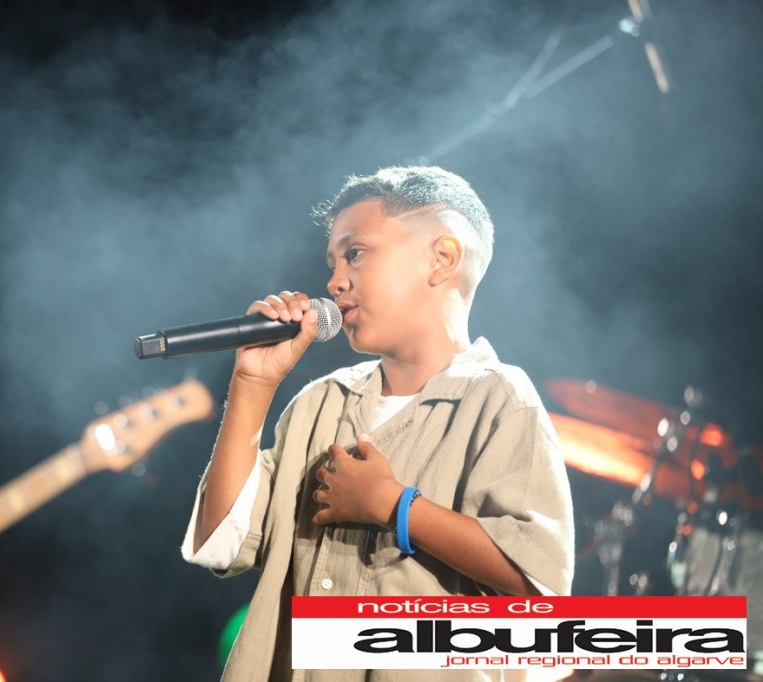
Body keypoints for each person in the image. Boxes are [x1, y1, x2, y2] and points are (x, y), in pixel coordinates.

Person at [181, 166, 575, 681]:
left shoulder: (499, 400)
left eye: (356, 253)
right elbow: (223, 541)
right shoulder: (319, 403)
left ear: (442, 259)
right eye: (333, 262)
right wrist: (252, 385)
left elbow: (540, 584)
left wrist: (394, 505)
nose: (334, 280)